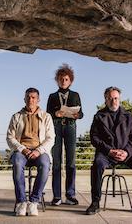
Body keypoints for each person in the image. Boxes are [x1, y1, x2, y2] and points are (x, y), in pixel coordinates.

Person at [86, 86, 132, 215]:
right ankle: (95, 203)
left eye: (116, 98)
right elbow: (94, 138)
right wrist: (109, 151)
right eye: (110, 99)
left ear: (119, 99)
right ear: (105, 100)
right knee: (97, 165)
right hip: (106, 154)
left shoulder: (128, 116)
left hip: (125, 153)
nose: (114, 101)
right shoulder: (99, 116)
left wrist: (127, 152)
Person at [6, 87, 55, 216]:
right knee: (17, 163)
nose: (30, 100)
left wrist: (39, 151)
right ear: (24, 99)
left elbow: (51, 138)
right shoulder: (16, 116)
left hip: (40, 152)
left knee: (45, 164)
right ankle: (21, 202)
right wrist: (23, 149)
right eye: (28, 97)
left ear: (38, 100)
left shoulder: (46, 117)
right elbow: (10, 137)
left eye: (33, 97)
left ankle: (34, 202)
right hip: (21, 152)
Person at [47, 64, 83, 206]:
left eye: (66, 79)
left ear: (70, 81)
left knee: (71, 163)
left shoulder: (75, 95)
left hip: (70, 128)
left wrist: (77, 115)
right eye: (61, 79)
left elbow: (81, 113)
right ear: (57, 80)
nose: (64, 81)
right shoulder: (52, 96)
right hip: (56, 129)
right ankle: (56, 196)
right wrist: (55, 113)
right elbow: (48, 114)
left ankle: (70, 194)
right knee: (56, 163)